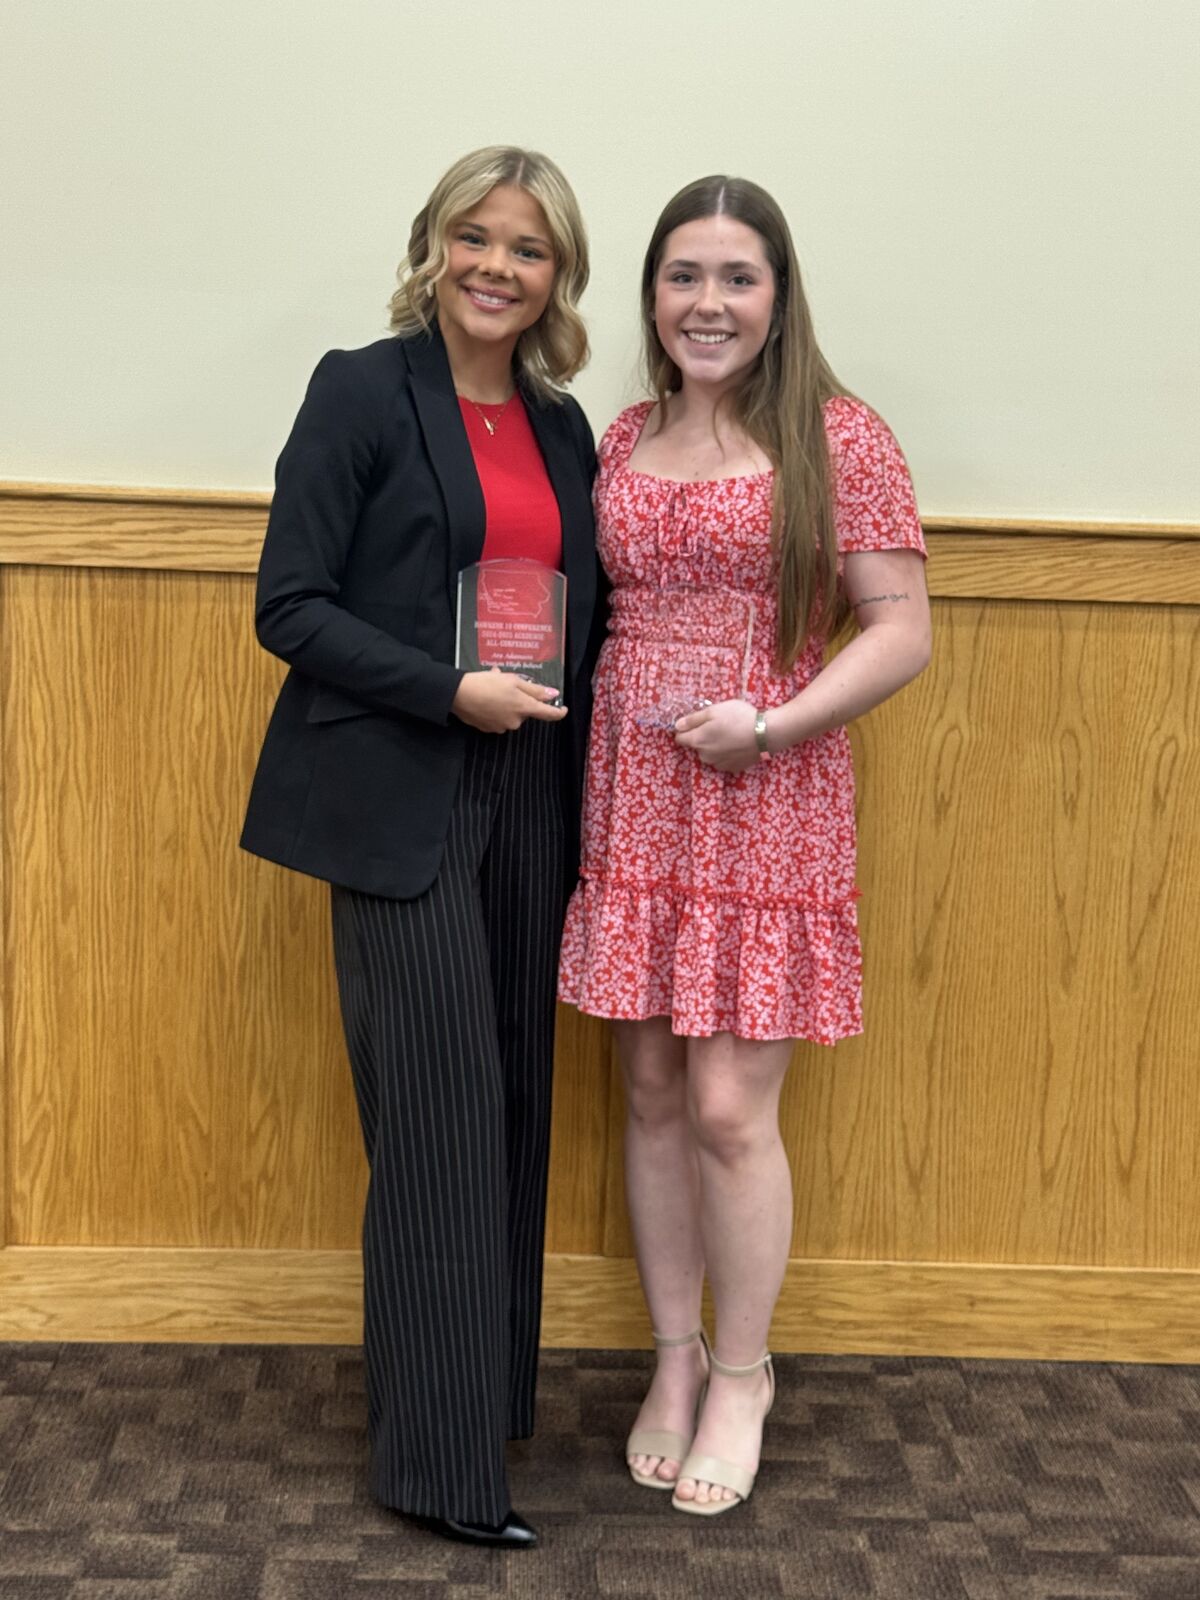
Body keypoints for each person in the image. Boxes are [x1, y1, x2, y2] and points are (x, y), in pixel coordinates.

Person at [241, 146, 603, 1550]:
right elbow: (291, 604)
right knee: (441, 1126)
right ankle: (441, 1478)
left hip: (528, 804)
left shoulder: (565, 428)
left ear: (556, 275)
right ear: (435, 245)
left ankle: (473, 1408)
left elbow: (584, 605)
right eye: (477, 236)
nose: (498, 267)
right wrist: (446, 689)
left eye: (529, 248)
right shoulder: (361, 388)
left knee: (508, 1117)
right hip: (397, 797)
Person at [558, 176, 931, 1516]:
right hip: (634, 786)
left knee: (729, 1109)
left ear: (779, 298)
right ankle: (672, 1360)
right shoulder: (619, 436)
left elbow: (900, 628)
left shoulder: (842, 437)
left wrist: (769, 727)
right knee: (652, 1090)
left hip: (768, 787)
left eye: (738, 277)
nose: (708, 303)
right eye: (683, 276)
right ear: (651, 297)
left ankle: (746, 1373)